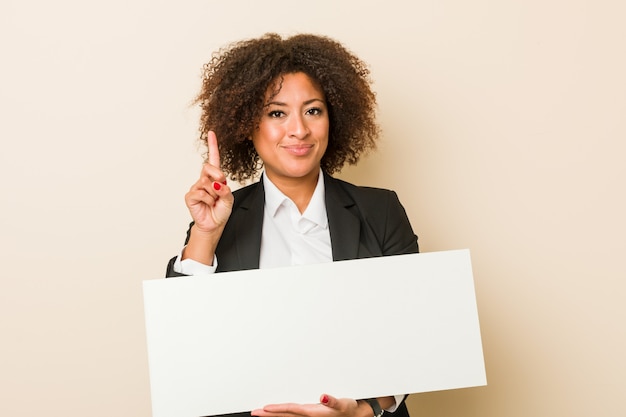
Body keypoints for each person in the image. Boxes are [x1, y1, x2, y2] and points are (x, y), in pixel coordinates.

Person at [166, 33, 419, 417]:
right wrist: (205, 233)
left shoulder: (380, 210)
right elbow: (183, 341)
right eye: (276, 113)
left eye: (313, 111)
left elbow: (413, 338)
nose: (298, 130)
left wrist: (363, 410)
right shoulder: (222, 217)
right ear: (248, 126)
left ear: (333, 118)